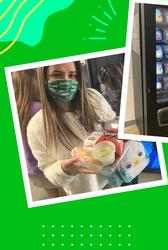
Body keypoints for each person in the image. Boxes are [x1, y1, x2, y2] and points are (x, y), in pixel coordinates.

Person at [27, 61, 116, 195]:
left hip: (112, 177)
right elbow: (47, 168)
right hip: (84, 191)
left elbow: (112, 122)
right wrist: (63, 170)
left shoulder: (93, 97)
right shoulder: (36, 126)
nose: (66, 81)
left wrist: (117, 128)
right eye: (57, 75)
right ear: (44, 79)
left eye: (72, 75)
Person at [13, 69, 67, 199]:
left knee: (52, 196)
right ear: (36, 83)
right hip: (47, 165)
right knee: (68, 192)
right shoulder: (40, 108)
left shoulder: (14, 109)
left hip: (31, 168)